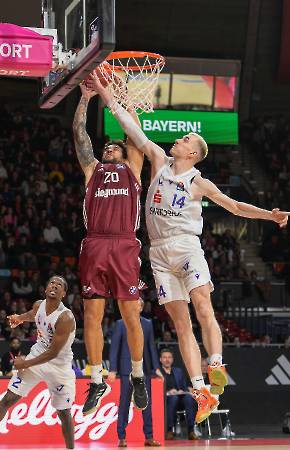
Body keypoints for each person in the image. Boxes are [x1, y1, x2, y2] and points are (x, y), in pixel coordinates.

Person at [87, 72, 290, 423]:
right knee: (181, 325)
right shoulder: (156, 159)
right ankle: (202, 392)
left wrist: (269, 215)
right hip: (157, 253)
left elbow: (234, 207)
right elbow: (127, 122)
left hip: (186, 247)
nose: (178, 139)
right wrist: (107, 94)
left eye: (185, 138)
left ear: (193, 153)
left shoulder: (198, 181)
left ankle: (215, 365)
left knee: (203, 306)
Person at [73, 83, 147, 416]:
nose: (108, 150)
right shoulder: (93, 170)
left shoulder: (133, 167)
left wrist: (126, 102)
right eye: (106, 148)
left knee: (131, 316)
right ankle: (97, 379)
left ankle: (137, 374)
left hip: (124, 244)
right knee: (92, 315)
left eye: (113, 148)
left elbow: (135, 136)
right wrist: (85, 99)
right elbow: (80, 136)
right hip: (95, 242)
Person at [0, 276, 76, 450]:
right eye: (52, 283)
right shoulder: (38, 305)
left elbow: (53, 352)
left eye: (59, 285)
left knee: (64, 413)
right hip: (37, 356)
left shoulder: (66, 318)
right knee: (8, 399)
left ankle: (71, 448)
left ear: (63, 293)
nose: (54, 286)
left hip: (59, 366)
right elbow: (33, 314)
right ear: (45, 288)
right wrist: (19, 318)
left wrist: (25, 363)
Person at [108, 298, 162, 447]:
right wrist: (113, 369)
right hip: (126, 369)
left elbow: (151, 347)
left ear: (141, 307)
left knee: (147, 404)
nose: (133, 305)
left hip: (144, 370)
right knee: (124, 403)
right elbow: (115, 348)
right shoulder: (120, 324)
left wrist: (156, 368)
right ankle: (121, 437)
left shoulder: (148, 323)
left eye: (136, 303)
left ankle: (149, 437)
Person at [160, 348, 198, 440]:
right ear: (160, 359)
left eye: (169, 357)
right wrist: (167, 392)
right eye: (164, 357)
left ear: (172, 359)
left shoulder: (178, 371)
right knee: (174, 398)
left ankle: (191, 431)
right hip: (165, 401)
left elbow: (184, 387)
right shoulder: (157, 372)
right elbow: (154, 390)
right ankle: (169, 431)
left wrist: (182, 391)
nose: (167, 360)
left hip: (179, 399)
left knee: (189, 398)